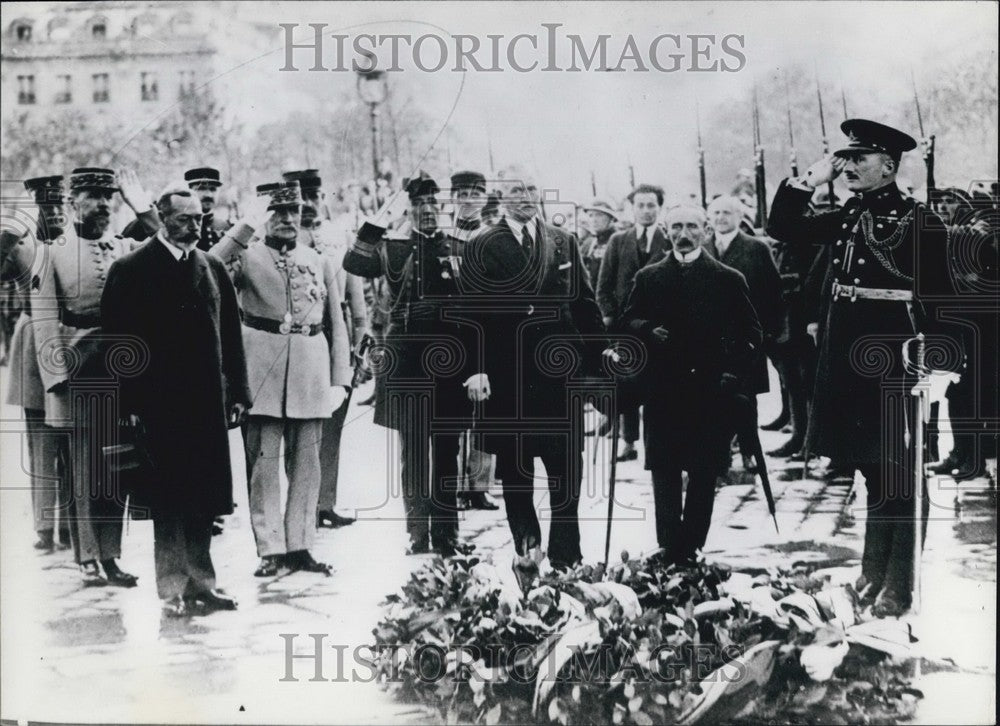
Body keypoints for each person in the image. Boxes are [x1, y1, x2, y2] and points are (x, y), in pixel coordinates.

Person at [767, 119, 956, 616]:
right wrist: (812, 178)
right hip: (849, 357)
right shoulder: (851, 213)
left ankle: (899, 585)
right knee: (873, 470)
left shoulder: (918, 220)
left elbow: (942, 297)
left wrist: (936, 365)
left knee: (901, 473)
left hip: (895, 357)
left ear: (888, 166)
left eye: (860, 159)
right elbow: (783, 229)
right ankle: (871, 575)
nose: (849, 166)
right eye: (846, 158)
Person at [101, 184, 249, 617]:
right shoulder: (130, 269)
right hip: (158, 408)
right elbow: (118, 345)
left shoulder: (212, 267)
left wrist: (238, 391)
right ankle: (171, 591)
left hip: (206, 405)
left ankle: (203, 584)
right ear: (162, 218)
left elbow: (231, 335)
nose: (195, 226)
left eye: (200, 219)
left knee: (204, 498)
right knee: (169, 500)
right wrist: (127, 404)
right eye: (185, 219)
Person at [462, 168, 605, 569]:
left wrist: (602, 356)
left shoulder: (562, 241)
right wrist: (476, 369)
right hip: (508, 376)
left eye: (531, 189)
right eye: (515, 191)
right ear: (501, 199)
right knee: (517, 472)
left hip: (558, 375)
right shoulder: (483, 244)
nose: (525, 197)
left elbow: (584, 304)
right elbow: (470, 316)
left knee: (567, 471)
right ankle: (527, 549)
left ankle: (566, 556)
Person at [210, 181, 352, 577]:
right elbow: (208, 265)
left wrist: (340, 377)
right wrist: (245, 226)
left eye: (293, 211)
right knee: (264, 466)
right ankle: (271, 549)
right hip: (261, 370)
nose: (287, 219)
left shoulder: (318, 258)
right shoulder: (246, 256)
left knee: (308, 465)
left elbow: (336, 323)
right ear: (263, 217)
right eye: (277, 212)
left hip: (311, 369)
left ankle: (302, 545)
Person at [31, 167, 157, 586]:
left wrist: (145, 209)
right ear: (73, 202)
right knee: (83, 469)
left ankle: (111, 555)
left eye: (109, 196)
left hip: (122, 367)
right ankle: (87, 555)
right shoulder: (52, 251)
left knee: (116, 464)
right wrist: (56, 380)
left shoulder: (124, 246)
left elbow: (165, 248)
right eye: (92, 196)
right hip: (77, 368)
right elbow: (45, 317)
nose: (103, 204)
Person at [619, 205, 762, 565]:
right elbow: (626, 321)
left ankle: (692, 547)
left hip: (709, 392)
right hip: (663, 391)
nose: (685, 233)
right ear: (667, 231)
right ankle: (668, 546)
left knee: (703, 472)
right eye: (678, 226)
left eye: (692, 226)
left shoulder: (728, 278)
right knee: (664, 471)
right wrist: (647, 330)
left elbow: (751, 334)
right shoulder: (649, 277)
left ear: (706, 229)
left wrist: (734, 376)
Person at [343, 172, 475, 556]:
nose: (429, 211)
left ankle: (447, 535)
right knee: (413, 451)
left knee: (448, 450)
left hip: (451, 359)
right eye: (420, 206)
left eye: (434, 205)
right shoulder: (391, 247)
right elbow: (354, 260)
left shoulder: (458, 247)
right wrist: (381, 216)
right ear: (410, 210)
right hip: (407, 360)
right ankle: (417, 533)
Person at [282, 169, 368, 529]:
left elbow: (357, 300)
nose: (310, 207)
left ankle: (325, 502)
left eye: (315, 198)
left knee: (333, 423)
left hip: (338, 336)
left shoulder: (338, 238)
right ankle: (301, 503)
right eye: (303, 201)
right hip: (299, 341)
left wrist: (359, 348)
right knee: (299, 426)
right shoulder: (282, 241)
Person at [1, 175, 71, 552]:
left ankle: (72, 523)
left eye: (59, 205)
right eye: (46, 207)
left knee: (72, 437)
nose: (55, 213)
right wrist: (13, 229)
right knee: (41, 440)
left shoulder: (76, 244)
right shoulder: (20, 246)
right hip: (33, 343)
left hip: (71, 339)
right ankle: (46, 524)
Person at [705, 195, 786, 466]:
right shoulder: (702, 247)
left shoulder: (756, 249)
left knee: (746, 398)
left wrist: (770, 331)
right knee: (713, 396)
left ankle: (750, 451)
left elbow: (774, 292)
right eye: (715, 212)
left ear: (739, 217)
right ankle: (720, 451)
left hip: (745, 336)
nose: (720, 218)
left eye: (727, 212)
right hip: (710, 337)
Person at [595, 183, 671, 461]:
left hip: (660, 328)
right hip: (625, 327)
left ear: (659, 208)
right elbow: (603, 285)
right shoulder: (619, 241)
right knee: (627, 381)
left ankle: (658, 441)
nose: (646, 211)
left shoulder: (669, 240)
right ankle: (629, 442)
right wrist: (609, 316)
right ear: (633, 208)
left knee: (660, 385)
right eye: (640, 205)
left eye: (651, 205)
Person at [445, 169, 499, 511]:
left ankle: (480, 485)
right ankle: (454, 486)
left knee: (484, 410)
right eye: (461, 194)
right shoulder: (442, 236)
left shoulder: (493, 236)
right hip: (450, 331)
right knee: (453, 413)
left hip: (484, 329)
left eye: (475, 194)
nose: (467, 201)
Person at [579, 199, 619, 286]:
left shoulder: (620, 242)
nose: (594, 220)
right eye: (590, 215)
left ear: (611, 219)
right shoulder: (588, 243)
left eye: (599, 215)